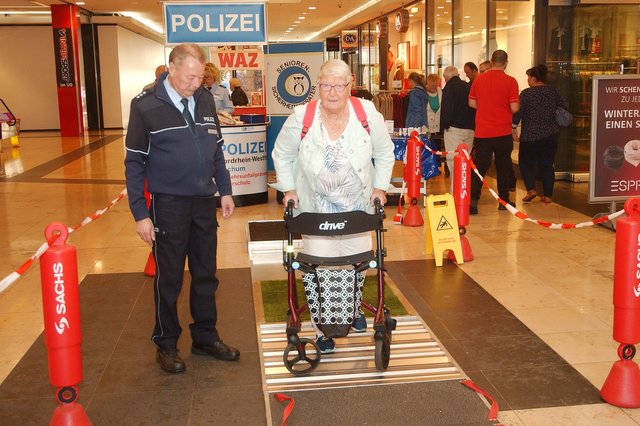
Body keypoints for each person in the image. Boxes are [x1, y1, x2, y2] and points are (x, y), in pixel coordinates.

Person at [124, 43, 239, 374]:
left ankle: (205, 337)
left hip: (203, 202)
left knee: (206, 275)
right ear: (170, 69)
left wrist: (226, 191)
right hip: (168, 204)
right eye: (190, 77)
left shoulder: (204, 97)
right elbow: (134, 162)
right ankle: (166, 343)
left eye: (200, 77)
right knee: (170, 278)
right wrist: (140, 213)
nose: (195, 83)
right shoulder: (145, 106)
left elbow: (216, 148)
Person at [272, 59, 395, 354]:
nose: (332, 92)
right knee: (319, 268)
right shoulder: (303, 116)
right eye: (326, 85)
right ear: (318, 85)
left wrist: (380, 188)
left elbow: (385, 153)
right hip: (315, 210)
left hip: (357, 207)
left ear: (350, 84)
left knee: (356, 263)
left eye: (339, 85)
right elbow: (282, 154)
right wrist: (289, 190)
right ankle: (322, 329)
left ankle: (352, 311)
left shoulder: (367, 114)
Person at [468, 49, 519, 214]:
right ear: (506, 63)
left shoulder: (479, 80)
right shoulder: (511, 81)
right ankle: (503, 201)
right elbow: (514, 107)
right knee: (503, 167)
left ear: (491, 61)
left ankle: (473, 201)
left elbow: (471, 103)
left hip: (483, 131)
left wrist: (485, 107)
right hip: (502, 131)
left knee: (480, 166)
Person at [512, 65, 568, 204]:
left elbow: (518, 112)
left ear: (533, 78)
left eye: (528, 77)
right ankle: (548, 196)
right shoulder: (553, 92)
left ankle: (531, 190)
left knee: (526, 163)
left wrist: (513, 128)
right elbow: (564, 106)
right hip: (550, 135)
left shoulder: (526, 94)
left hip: (530, 135)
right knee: (547, 164)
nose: (528, 80)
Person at [440, 66, 475, 191]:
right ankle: (465, 191)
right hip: (470, 130)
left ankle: (456, 193)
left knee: (454, 162)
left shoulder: (448, 89)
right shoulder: (468, 86)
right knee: (465, 161)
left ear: (446, 77)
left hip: (454, 130)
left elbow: (447, 109)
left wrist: (445, 125)